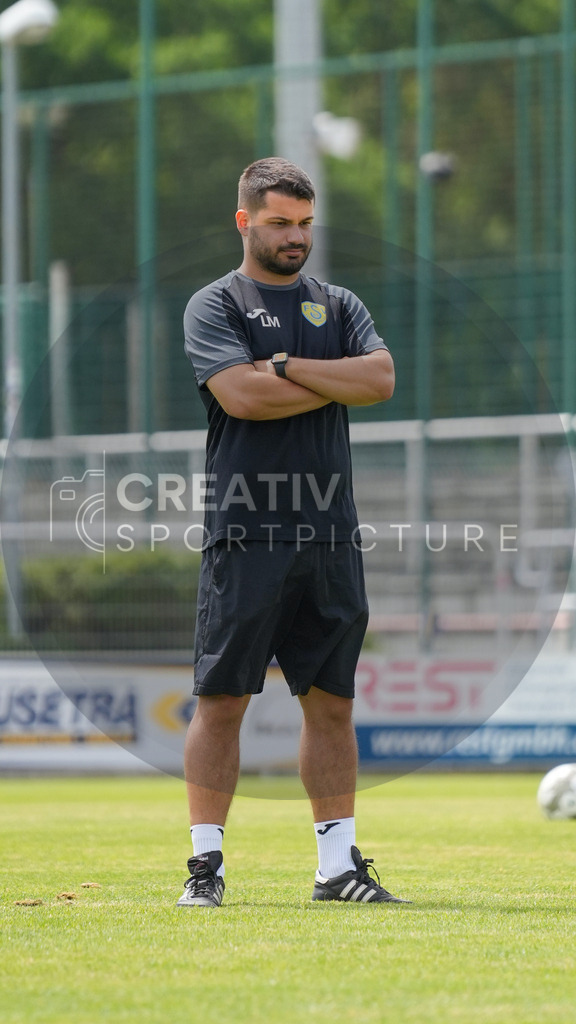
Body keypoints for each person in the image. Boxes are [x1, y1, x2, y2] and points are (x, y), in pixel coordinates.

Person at [178, 156, 409, 908]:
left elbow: (379, 382)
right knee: (223, 701)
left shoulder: (338, 301)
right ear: (245, 221)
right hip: (246, 530)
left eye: (305, 224)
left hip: (330, 534)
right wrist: (320, 373)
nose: (295, 237)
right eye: (280, 223)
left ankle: (337, 869)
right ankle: (204, 871)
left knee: (332, 702)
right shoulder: (214, 304)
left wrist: (283, 365)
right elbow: (242, 398)